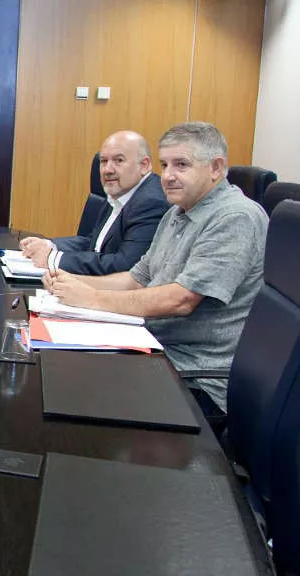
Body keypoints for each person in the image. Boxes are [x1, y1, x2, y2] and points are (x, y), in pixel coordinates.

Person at [44, 122, 268, 414]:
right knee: (57, 373)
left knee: (73, 394)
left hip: (194, 377)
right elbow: (137, 279)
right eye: (165, 164)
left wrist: (93, 299)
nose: (168, 176)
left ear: (215, 168)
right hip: (154, 347)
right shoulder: (177, 211)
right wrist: (69, 282)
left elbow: (182, 299)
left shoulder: (236, 217)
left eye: (182, 165)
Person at [20, 130, 168, 275]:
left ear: (144, 165)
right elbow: (94, 244)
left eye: (119, 160)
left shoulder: (151, 202)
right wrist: (49, 245)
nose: (107, 170)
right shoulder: (120, 190)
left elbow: (125, 265)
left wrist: (53, 258)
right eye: (104, 161)